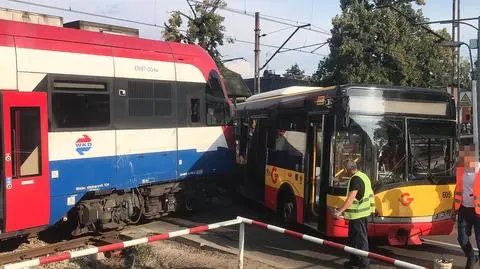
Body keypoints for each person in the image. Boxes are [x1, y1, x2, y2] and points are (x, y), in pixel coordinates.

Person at [335, 159, 375, 269]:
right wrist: (373, 209)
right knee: (353, 240)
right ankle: (354, 261)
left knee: (360, 241)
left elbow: (351, 198)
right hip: (363, 214)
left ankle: (363, 264)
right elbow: (371, 194)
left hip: (358, 216)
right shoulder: (364, 176)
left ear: (348, 170)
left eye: (344, 169)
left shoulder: (355, 180)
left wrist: (340, 211)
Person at [453, 145, 480, 269]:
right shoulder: (460, 171)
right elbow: (457, 190)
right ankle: (471, 257)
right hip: (463, 209)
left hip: (478, 212)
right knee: (462, 239)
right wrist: (454, 209)